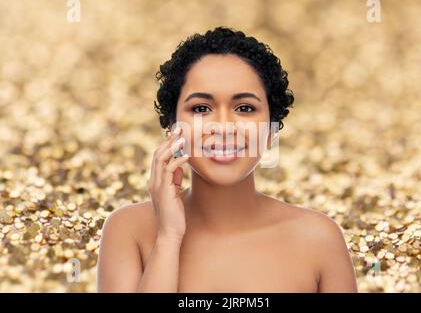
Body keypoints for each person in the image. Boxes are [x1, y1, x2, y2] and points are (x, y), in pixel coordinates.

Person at [96, 27, 358, 293]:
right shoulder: (128, 230)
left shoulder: (319, 238)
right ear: (173, 126)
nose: (223, 127)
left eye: (245, 108)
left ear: (271, 129)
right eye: (201, 108)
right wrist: (168, 238)